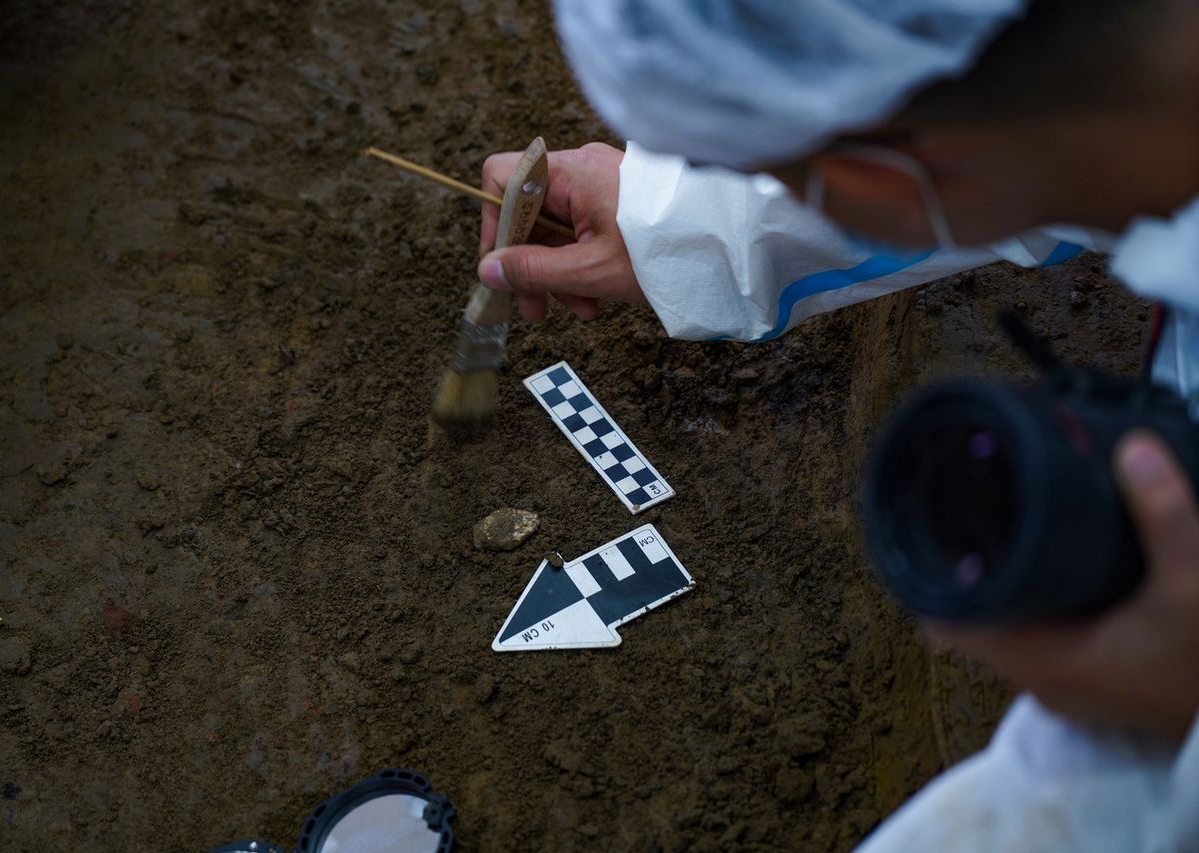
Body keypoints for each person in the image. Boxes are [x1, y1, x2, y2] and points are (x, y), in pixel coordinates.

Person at [477, 1, 1199, 849]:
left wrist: (1175, 709)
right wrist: (671, 226)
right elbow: (1017, 134)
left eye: (773, 171)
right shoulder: (1136, 89)